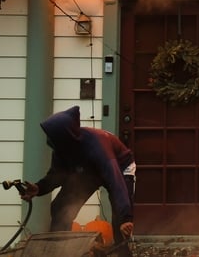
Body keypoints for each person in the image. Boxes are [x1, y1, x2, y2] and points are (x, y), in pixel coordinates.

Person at [20, 105, 136, 257]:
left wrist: (126, 217)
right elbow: (57, 175)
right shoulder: (61, 149)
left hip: (120, 166)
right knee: (60, 207)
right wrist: (39, 188)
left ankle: (123, 253)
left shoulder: (97, 146)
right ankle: (58, 251)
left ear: (65, 136)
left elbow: (116, 182)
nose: (49, 140)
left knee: (118, 220)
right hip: (88, 170)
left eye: (53, 136)